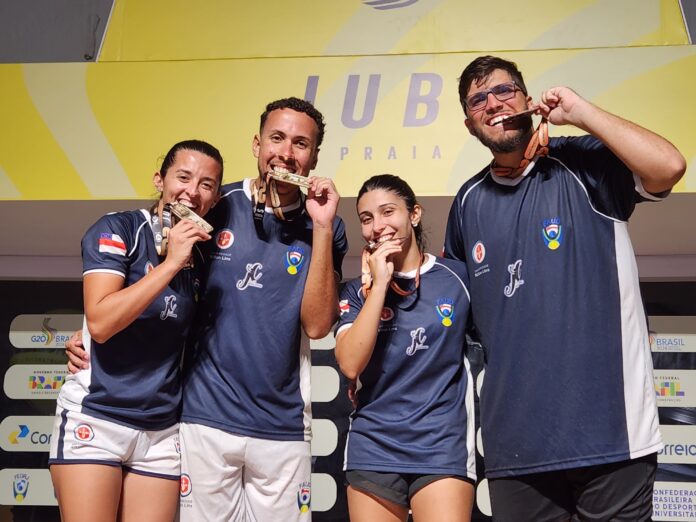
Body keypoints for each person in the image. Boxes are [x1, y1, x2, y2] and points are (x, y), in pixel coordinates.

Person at [66, 97, 346, 521]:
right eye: (276, 138)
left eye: (301, 143)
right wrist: (86, 330)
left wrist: (322, 227)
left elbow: (318, 324)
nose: (286, 153)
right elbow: (156, 289)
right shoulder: (216, 206)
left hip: (284, 425)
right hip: (202, 419)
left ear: (314, 156)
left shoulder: (326, 222)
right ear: (256, 144)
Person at [444, 55, 686, 521]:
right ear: (469, 121)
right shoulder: (467, 203)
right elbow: (455, 315)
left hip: (613, 436)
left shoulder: (582, 161)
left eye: (504, 90)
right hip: (516, 449)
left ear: (526, 97)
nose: (493, 103)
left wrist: (579, 110)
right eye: (478, 99)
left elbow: (669, 166)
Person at [49, 140, 224, 522]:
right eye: (183, 177)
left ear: (214, 200)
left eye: (207, 184)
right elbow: (101, 322)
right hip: (97, 416)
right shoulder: (120, 228)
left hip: (160, 429)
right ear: (159, 180)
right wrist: (171, 264)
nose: (192, 192)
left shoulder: (204, 259)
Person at [335, 174, 476, 522]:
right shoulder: (356, 292)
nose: (377, 226)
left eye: (388, 212)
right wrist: (380, 284)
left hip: (441, 444)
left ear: (414, 214)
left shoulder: (457, 277)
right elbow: (350, 364)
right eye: (366, 218)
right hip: (374, 445)